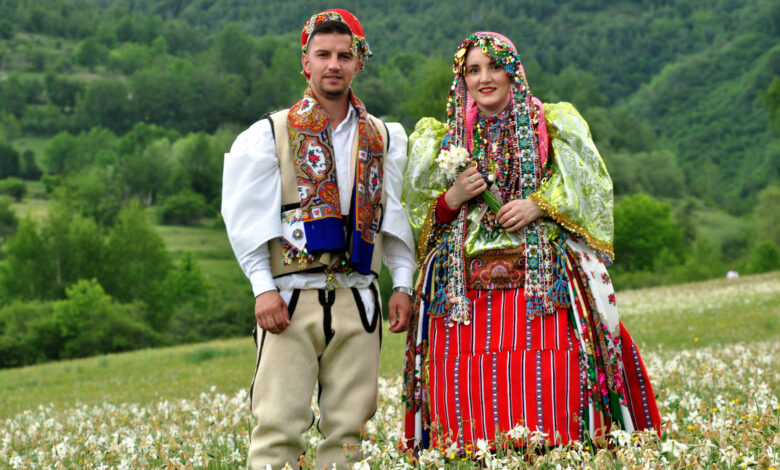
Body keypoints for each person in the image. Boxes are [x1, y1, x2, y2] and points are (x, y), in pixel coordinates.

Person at [401, 32, 662, 452]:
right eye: (473, 70)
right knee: (468, 386)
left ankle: (566, 450)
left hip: (542, 280)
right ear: (462, 79)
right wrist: (453, 198)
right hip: (462, 286)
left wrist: (538, 205)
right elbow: (416, 215)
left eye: (495, 67)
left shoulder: (553, 123)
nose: (485, 78)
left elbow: (589, 185)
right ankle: (467, 451)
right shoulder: (439, 138)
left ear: (514, 71)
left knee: (549, 375)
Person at [221, 9, 416, 469]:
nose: (334, 64)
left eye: (344, 56)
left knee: (348, 430)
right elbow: (245, 216)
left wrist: (402, 284)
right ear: (305, 62)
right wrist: (262, 287)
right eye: (323, 54)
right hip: (290, 300)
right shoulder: (271, 133)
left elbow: (394, 213)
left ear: (358, 63)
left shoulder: (383, 137)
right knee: (277, 426)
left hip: (358, 298)